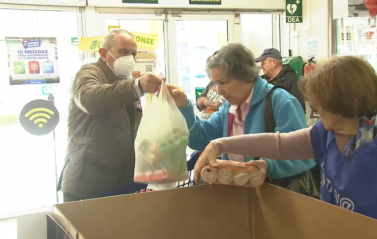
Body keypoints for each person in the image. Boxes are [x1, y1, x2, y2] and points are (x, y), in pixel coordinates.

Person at [194, 56, 377, 236]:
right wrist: (219, 144)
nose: (314, 108)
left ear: (340, 103)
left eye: (317, 103)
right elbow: (280, 145)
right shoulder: (329, 132)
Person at [166, 43, 315, 192]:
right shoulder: (229, 106)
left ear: (245, 75)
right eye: (215, 83)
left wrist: (267, 166)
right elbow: (202, 138)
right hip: (235, 198)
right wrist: (184, 106)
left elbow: (303, 155)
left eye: (223, 82)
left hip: (272, 200)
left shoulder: (281, 102)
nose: (219, 90)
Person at [58, 29, 163, 201]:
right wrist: (137, 86)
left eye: (133, 54)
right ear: (104, 54)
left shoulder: (124, 81)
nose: (129, 58)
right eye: (123, 52)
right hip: (88, 183)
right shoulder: (89, 73)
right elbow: (88, 98)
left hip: (119, 182)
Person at [255, 48, 306, 112]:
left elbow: (299, 108)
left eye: (263, 64)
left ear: (274, 62)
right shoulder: (262, 80)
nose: (262, 67)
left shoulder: (291, 79)